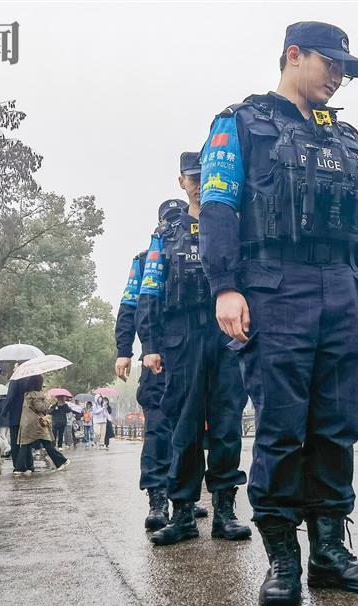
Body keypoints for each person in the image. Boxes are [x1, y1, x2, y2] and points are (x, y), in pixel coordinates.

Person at [199, 21, 358, 606]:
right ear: (293, 55)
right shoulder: (240, 122)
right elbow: (218, 206)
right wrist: (225, 286)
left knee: (336, 426)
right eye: (329, 64)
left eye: (344, 70)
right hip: (273, 286)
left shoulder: (346, 136)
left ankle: (330, 552)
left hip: (341, 287)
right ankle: (283, 557)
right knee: (282, 428)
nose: (337, 77)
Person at [138, 154, 248, 546]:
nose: (200, 184)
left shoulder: (234, 223)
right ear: (181, 182)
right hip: (181, 334)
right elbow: (150, 288)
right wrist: (150, 344)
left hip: (226, 331)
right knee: (183, 425)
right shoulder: (165, 233)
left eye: (207, 176)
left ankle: (225, 512)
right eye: (193, 178)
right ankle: (183, 513)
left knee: (227, 423)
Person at [118, 197, 185, 532]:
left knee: (187, 430)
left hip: (189, 353)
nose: (173, 224)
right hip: (156, 355)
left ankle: (185, 497)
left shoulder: (199, 249)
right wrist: (124, 350)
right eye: (168, 219)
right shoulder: (146, 260)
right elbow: (130, 306)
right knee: (158, 430)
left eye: (178, 217)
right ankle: (158, 498)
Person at [13, 376, 69, 477]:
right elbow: (41, 408)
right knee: (47, 443)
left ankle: (19, 468)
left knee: (24, 445)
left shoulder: (27, 394)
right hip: (37, 424)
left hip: (26, 423)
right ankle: (61, 462)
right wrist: (48, 400)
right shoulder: (36, 395)